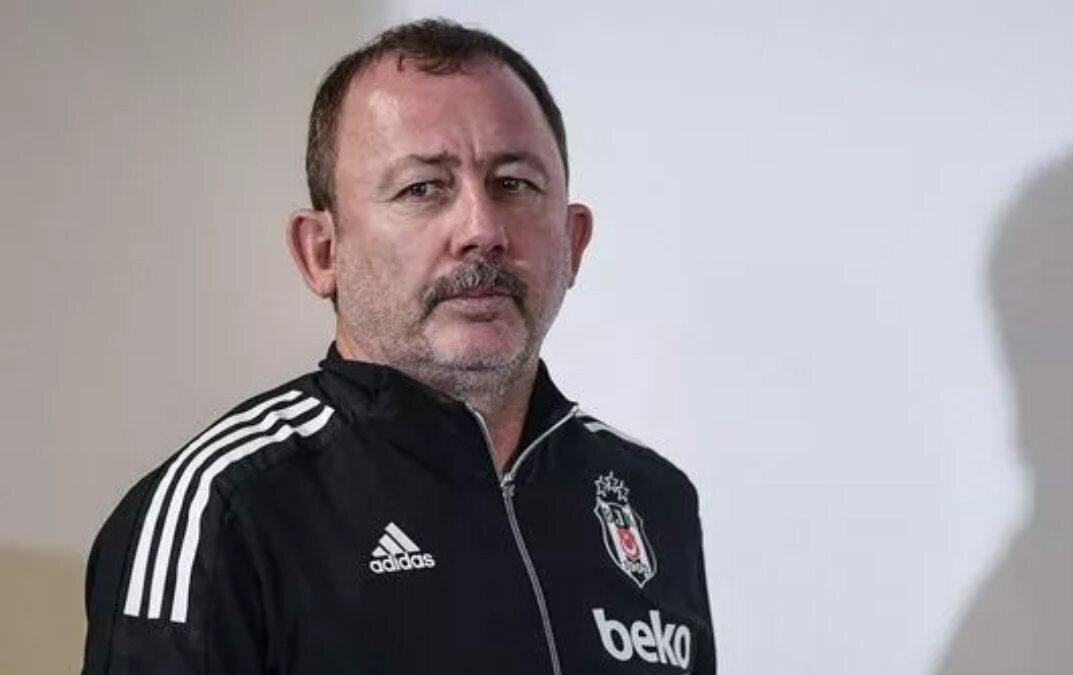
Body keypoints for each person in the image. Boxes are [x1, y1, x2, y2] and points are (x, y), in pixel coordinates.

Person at [81, 19, 714, 675]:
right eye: (422, 188)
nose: (482, 230)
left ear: (573, 241)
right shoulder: (224, 510)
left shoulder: (653, 500)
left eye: (514, 183)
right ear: (322, 252)